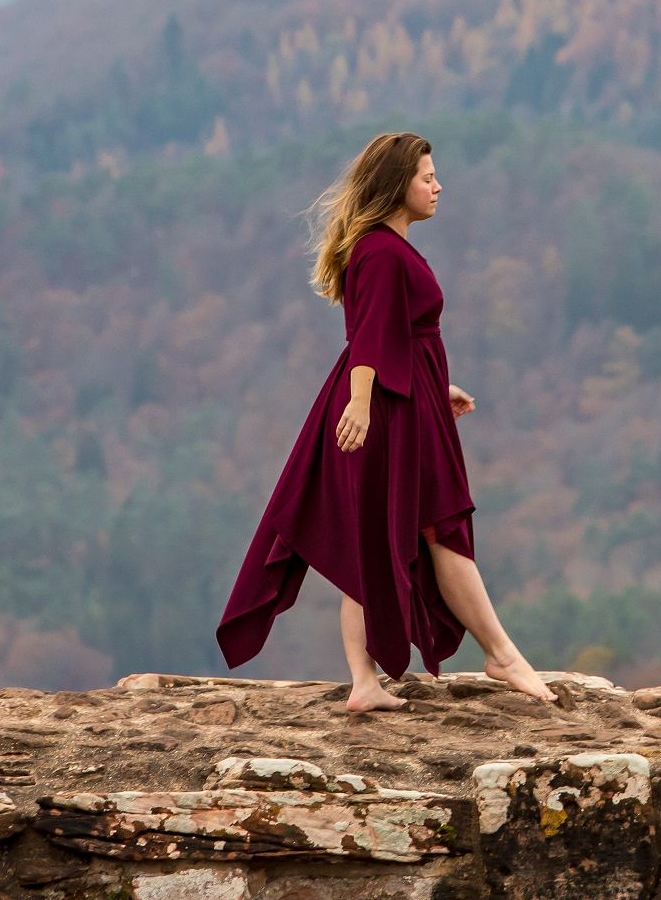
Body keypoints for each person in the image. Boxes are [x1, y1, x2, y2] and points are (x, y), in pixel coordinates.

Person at [215, 131, 556, 711]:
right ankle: (500, 654)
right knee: (435, 527)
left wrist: (429, 387)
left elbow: (398, 331)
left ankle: (366, 683)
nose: (438, 186)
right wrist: (363, 402)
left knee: (378, 535)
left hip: (405, 401)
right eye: (428, 177)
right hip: (381, 411)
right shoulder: (377, 250)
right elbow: (368, 335)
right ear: (399, 185)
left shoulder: (387, 246)